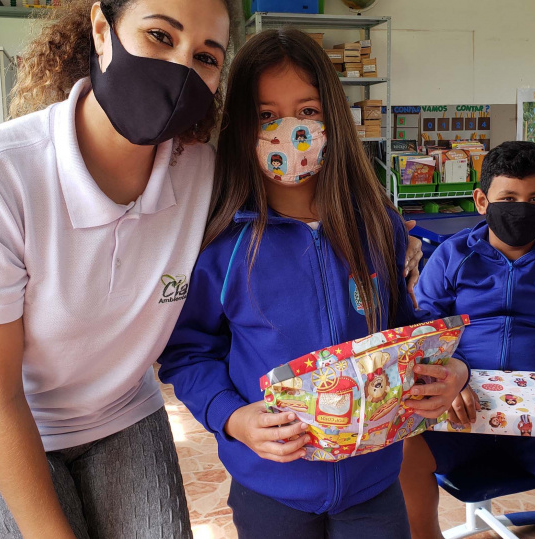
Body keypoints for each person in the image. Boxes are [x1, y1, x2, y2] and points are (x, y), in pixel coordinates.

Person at [0, 0, 417, 536]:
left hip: (117, 412)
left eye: (206, 57)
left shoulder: (204, 175)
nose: (179, 67)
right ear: (102, 31)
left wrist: (396, 241)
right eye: (159, 35)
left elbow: (309, 209)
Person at [157, 28, 468, 539]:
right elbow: (190, 353)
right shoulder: (219, 242)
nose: (289, 132)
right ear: (239, 125)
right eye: (266, 116)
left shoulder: (377, 225)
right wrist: (233, 420)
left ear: (333, 118)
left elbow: (402, 332)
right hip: (271, 486)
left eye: (307, 111)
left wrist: (449, 366)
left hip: (375, 485)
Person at [400, 141, 535, 539]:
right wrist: (439, 380)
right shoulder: (452, 256)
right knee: (395, 451)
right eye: (509, 197)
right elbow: (425, 336)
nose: (523, 207)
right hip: (457, 410)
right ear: (482, 201)